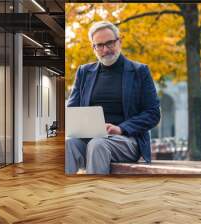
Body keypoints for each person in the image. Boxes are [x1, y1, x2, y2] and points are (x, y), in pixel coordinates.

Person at [65, 21, 160, 174]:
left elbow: (153, 113)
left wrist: (121, 128)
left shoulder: (139, 71)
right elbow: (72, 110)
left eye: (110, 43)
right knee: (69, 145)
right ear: (93, 48)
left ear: (119, 42)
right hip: (90, 139)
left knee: (98, 144)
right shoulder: (84, 72)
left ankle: (96, 195)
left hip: (127, 140)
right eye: (99, 45)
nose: (105, 49)